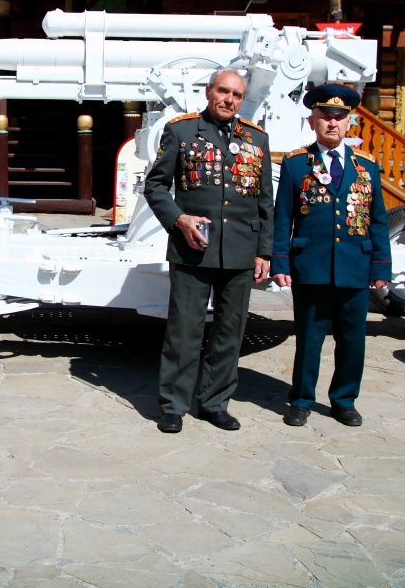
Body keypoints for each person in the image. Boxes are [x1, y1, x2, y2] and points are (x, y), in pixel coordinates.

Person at [143, 68, 273, 433]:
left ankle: (215, 402)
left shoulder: (257, 139)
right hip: (192, 249)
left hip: (241, 251)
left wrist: (264, 252)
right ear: (209, 91)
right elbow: (155, 187)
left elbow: (266, 202)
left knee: (231, 331)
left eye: (236, 94)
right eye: (223, 91)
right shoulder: (182, 131)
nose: (229, 99)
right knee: (185, 330)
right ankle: (173, 404)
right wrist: (179, 220)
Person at [270, 83, 391, 427]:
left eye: (339, 118)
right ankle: (302, 399)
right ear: (313, 121)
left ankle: (344, 399)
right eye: (325, 117)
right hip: (312, 266)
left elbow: (378, 220)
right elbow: (283, 218)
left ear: (349, 123)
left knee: (353, 341)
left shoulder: (366, 167)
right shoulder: (296, 165)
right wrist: (281, 261)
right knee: (309, 339)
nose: (332, 124)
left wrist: (381, 264)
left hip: (356, 265)